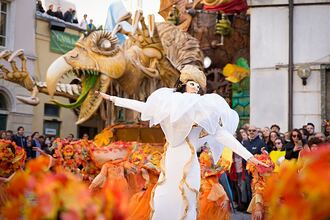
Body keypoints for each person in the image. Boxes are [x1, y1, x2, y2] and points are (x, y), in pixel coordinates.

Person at [96, 65, 267, 220]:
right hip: (170, 159)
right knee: (163, 196)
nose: (195, 88)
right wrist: (113, 99)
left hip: (188, 160)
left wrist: (249, 157)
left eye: (198, 86)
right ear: (184, 83)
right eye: (192, 83)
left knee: (187, 196)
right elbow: (143, 106)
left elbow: (221, 135)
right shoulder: (169, 103)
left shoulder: (201, 110)